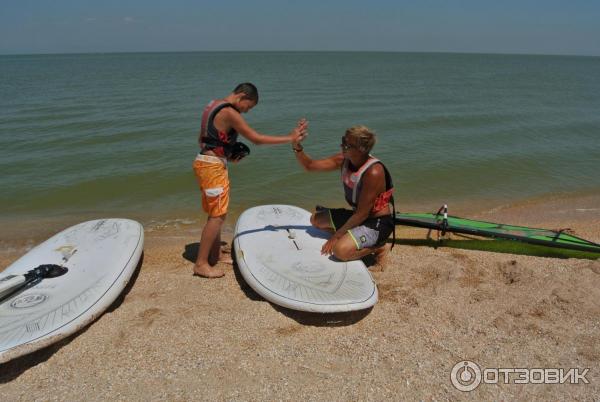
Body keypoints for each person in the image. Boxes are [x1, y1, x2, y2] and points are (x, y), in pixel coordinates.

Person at [193, 83, 307, 278]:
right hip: (212, 166)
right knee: (218, 216)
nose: (247, 111)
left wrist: (227, 156)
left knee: (216, 212)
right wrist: (290, 138)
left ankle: (215, 254)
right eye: (249, 106)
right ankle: (201, 264)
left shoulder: (213, 105)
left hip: (207, 162)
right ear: (242, 96)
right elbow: (257, 139)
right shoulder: (229, 112)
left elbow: (202, 139)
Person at [292, 125, 394, 265]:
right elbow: (310, 165)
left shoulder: (373, 172)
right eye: (343, 141)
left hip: (376, 223)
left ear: (361, 149)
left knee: (340, 251)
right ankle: (352, 238)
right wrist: (297, 146)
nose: (342, 145)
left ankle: (379, 247)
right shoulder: (343, 160)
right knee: (315, 220)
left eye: (347, 145)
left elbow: (362, 214)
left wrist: (336, 237)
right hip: (358, 217)